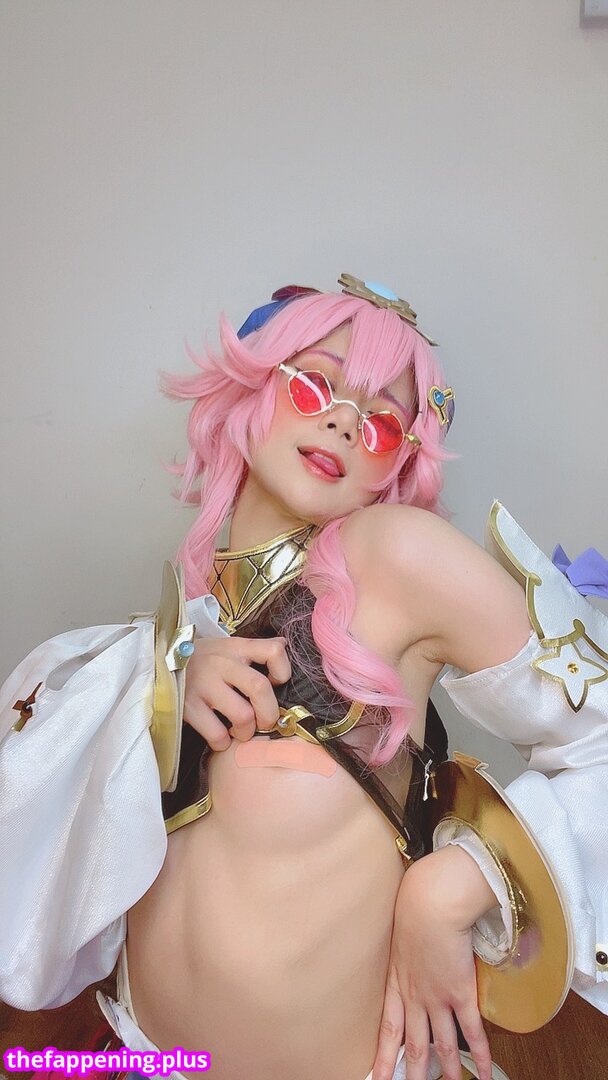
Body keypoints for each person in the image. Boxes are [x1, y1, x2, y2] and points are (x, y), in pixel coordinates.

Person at [1, 277, 607, 1080]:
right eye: (317, 384)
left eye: (383, 422)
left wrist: (460, 886)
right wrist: (159, 686)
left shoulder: (398, 557)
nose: (346, 423)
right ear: (254, 385)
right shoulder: (192, 606)